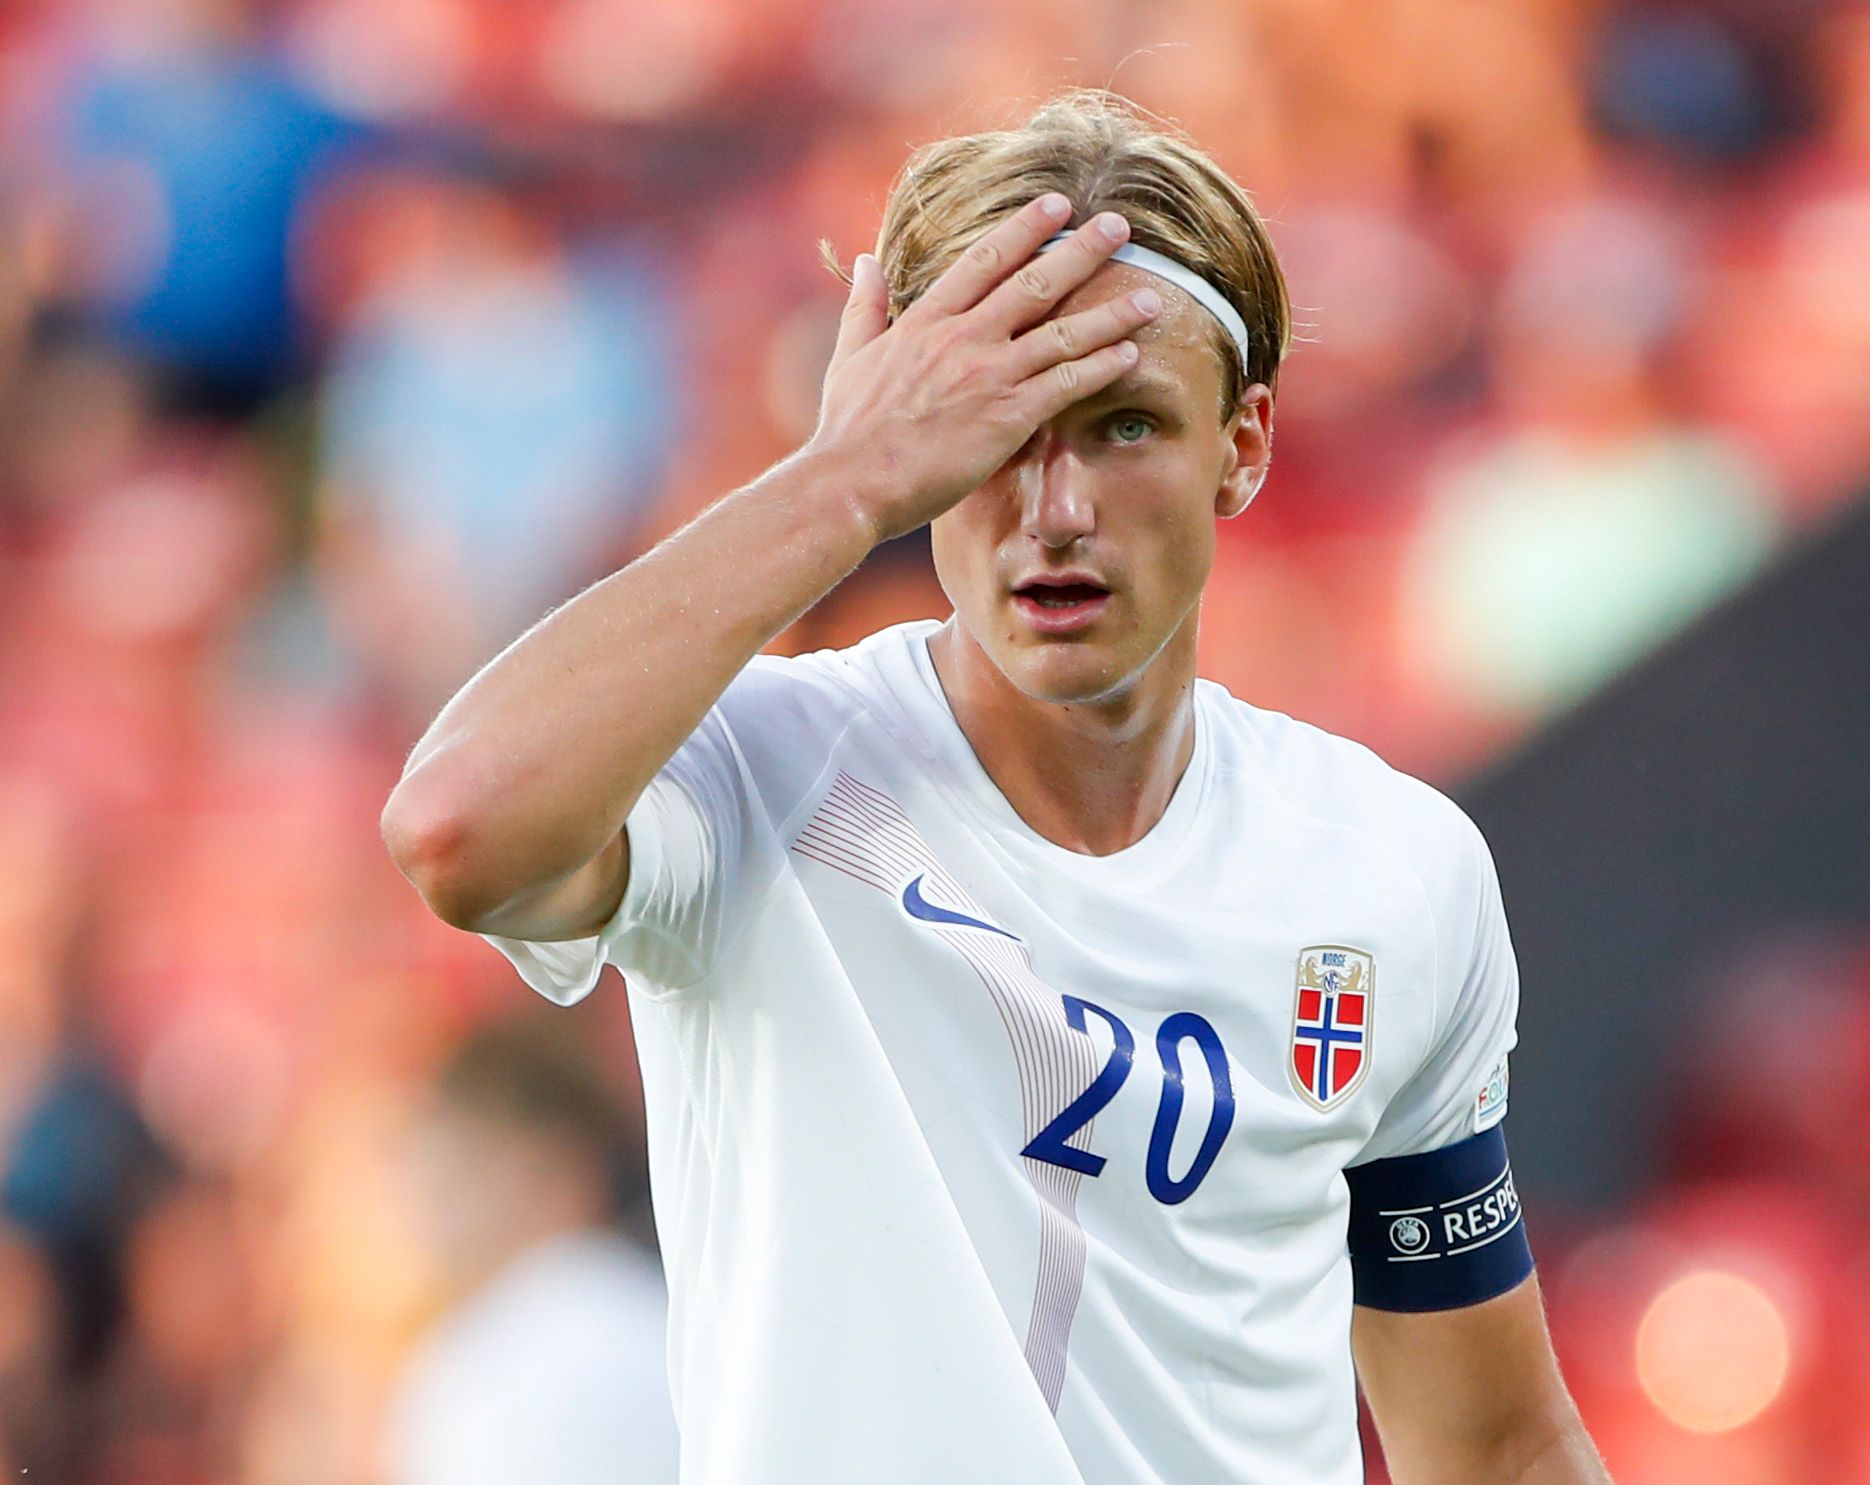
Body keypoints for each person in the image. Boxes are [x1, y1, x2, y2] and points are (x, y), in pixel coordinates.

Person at [382, 89, 1610, 1485]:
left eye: (1124, 426)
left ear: (1244, 445)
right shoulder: (754, 774)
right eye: (991, 430)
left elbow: (1493, 1447)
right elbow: (457, 828)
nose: (1056, 509)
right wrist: (841, 482)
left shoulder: (1389, 869)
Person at [385, 1020, 678, 1485]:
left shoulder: (580, 1334)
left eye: (467, 1157)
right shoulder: (497, 1332)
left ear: (554, 1167)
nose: (429, 1182)